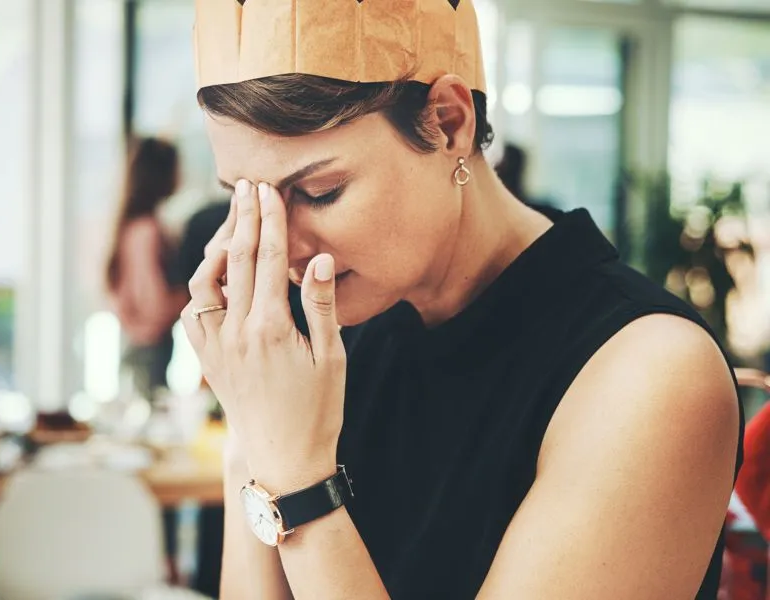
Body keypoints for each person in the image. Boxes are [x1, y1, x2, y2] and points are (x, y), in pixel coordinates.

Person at [183, 1, 742, 599]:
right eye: (247, 202)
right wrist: (252, 431)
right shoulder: (327, 338)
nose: (281, 249)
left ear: (450, 122)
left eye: (319, 192)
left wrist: (299, 482)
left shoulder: (651, 373)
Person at [105, 137, 190, 401]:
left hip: (143, 347)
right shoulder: (146, 231)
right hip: (148, 351)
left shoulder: (136, 226)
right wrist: (189, 299)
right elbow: (153, 302)